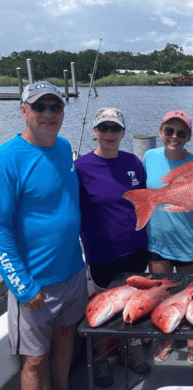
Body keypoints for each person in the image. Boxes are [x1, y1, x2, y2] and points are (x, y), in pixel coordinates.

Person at [0, 81, 88, 390]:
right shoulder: (7, 157)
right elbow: (0, 229)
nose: (48, 113)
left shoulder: (64, 147)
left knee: (66, 338)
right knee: (34, 361)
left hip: (74, 273)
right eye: (39, 107)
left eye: (55, 107)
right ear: (23, 111)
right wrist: (23, 286)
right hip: (35, 282)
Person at [75, 107, 152, 387]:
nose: (109, 134)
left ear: (122, 132)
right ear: (95, 131)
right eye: (104, 128)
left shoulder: (133, 162)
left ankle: (126, 351)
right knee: (106, 310)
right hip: (102, 253)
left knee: (130, 306)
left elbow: (144, 201)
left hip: (134, 248)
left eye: (115, 129)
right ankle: (102, 359)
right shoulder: (80, 168)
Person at [143, 110, 193, 365]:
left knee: (189, 294)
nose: (174, 137)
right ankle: (169, 337)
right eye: (169, 131)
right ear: (161, 132)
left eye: (181, 132)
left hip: (187, 242)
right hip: (157, 242)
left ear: (189, 136)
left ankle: (192, 338)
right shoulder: (149, 157)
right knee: (164, 293)